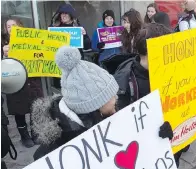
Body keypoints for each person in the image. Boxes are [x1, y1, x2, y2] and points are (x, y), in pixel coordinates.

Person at [31, 46, 173, 160]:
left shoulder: (107, 116)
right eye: (110, 96)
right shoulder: (54, 151)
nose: (116, 98)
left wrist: (157, 136)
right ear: (95, 105)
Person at [113, 23, 196, 167]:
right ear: (154, 51)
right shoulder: (126, 84)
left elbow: (187, 104)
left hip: (172, 156)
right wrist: (154, 134)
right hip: (146, 164)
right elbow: (121, 133)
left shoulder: (175, 72)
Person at [1, 18, 44, 148]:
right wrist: (3, 54)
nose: (11, 28)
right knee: (19, 110)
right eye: (8, 26)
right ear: (5, 29)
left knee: (34, 107)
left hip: (31, 79)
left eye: (13, 25)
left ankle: (35, 133)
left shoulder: (30, 39)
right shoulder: (3, 42)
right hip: (14, 81)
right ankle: (24, 136)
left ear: (20, 26)